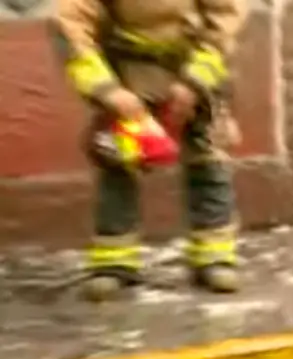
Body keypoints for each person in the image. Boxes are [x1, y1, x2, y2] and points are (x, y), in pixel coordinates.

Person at [51, 0, 247, 301]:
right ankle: (114, 260)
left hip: (191, 66)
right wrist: (108, 91)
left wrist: (195, 82)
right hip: (126, 76)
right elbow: (70, 26)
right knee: (116, 165)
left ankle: (215, 254)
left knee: (207, 160)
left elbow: (225, 20)